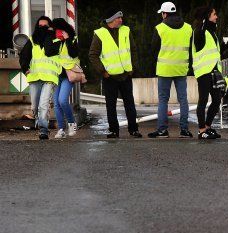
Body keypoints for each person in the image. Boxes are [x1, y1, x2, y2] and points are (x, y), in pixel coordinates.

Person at [89, 8, 142, 139]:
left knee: (130, 103)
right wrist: (103, 71)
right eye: (118, 18)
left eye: (121, 17)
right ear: (111, 20)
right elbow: (93, 55)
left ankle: (134, 129)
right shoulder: (100, 33)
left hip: (125, 74)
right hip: (110, 76)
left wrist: (133, 68)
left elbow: (133, 50)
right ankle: (113, 131)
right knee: (110, 105)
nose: (121, 20)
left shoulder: (126, 30)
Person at [148, 2, 193, 139]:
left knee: (163, 100)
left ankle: (162, 130)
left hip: (164, 69)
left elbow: (153, 49)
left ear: (165, 14)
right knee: (183, 100)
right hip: (181, 69)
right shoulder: (188, 28)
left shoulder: (160, 28)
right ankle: (184, 130)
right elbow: (191, 49)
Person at [19, 16, 61, 140]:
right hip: (34, 77)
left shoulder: (56, 40)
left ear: (50, 27)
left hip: (49, 77)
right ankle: (39, 119)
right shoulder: (32, 40)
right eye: (40, 26)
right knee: (35, 106)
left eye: (45, 26)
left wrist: (49, 36)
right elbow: (24, 56)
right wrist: (25, 68)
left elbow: (50, 52)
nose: (42, 28)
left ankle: (43, 130)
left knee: (44, 104)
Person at [192, 5, 228, 140]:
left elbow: (217, 53)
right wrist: (202, 22)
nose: (217, 17)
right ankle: (201, 130)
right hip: (203, 71)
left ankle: (207, 126)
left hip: (213, 71)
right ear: (207, 17)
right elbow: (199, 45)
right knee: (203, 100)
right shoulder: (199, 31)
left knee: (216, 100)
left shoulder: (212, 32)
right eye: (214, 14)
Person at [51, 18, 79, 139]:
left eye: (57, 29)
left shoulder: (73, 38)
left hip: (69, 74)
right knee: (56, 103)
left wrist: (67, 39)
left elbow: (74, 54)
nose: (56, 32)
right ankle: (61, 129)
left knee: (62, 100)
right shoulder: (55, 40)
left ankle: (72, 124)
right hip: (57, 75)